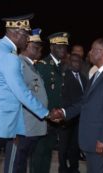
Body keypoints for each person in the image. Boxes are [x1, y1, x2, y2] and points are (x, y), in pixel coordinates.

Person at [0, 14, 60, 173]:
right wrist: (45, 113)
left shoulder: (0, 48)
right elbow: (21, 92)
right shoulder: (8, 56)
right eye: (26, 35)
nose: (27, 39)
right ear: (15, 33)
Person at [59, 38, 103, 173]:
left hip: (101, 142)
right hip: (92, 139)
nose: (89, 52)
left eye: (92, 49)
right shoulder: (97, 74)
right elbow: (84, 102)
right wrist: (64, 113)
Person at [4, 28, 48, 173]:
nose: (39, 49)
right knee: (15, 166)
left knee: (21, 165)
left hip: (31, 129)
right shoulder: (19, 64)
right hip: (22, 129)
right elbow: (16, 96)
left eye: (40, 46)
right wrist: (15, 129)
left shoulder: (31, 65)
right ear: (26, 46)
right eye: (35, 46)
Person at [31, 32, 70, 173]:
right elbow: (36, 95)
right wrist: (45, 116)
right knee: (38, 154)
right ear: (52, 47)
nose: (63, 50)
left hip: (55, 119)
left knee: (47, 153)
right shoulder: (43, 65)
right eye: (60, 47)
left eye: (65, 47)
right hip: (44, 118)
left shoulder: (63, 66)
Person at [61, 53, 88, 173]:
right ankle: (62, 168)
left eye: (78, 62)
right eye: (74, 61)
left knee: (75, 145)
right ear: (69, 62)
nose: (76, 64)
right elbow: (63, 98)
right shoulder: (64, 77)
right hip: (67, 116)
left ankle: (74, 167)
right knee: (64, 146)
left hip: (80, 118)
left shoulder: (83, 77)